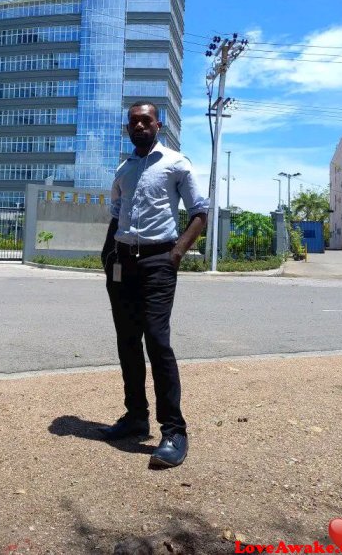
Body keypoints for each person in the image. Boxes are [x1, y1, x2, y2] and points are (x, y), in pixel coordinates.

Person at [99, 101, 208, 468]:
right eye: (133, 121)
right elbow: (116, 216)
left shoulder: (176, 163)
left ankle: (174, 430)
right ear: (128, 128)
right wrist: (107, 256)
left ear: (158, 125)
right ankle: (135, 417)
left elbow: (199, 214)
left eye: (146, 119)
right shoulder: (124, 168)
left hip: (159, 261)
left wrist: (175, 255)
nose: (139, 125)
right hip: (122, 263)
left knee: (157, 342)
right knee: (127, 342)